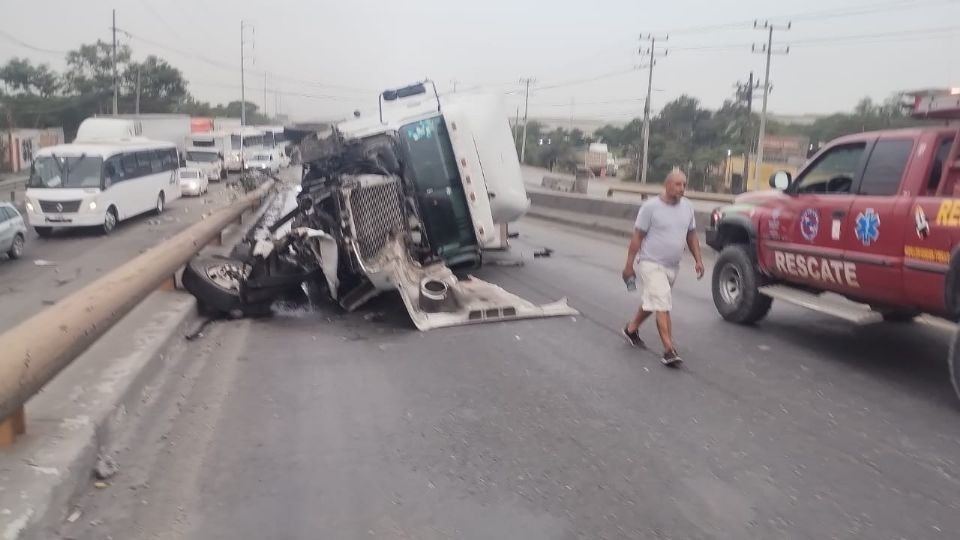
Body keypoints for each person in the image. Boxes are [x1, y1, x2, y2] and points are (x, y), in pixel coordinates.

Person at [621, 169, 705, 365]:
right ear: (667, 185)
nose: (682, 188)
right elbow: (637, 237)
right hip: (650, 263)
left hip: (672, 266)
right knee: (662, 303)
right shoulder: (651, 207)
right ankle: (669, 350)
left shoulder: (687, 208)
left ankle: (631, 329)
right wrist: (629, 265)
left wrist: (698, 260)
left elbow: (691, 235)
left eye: (684, 185)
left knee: (655, 301)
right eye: (678, 184)